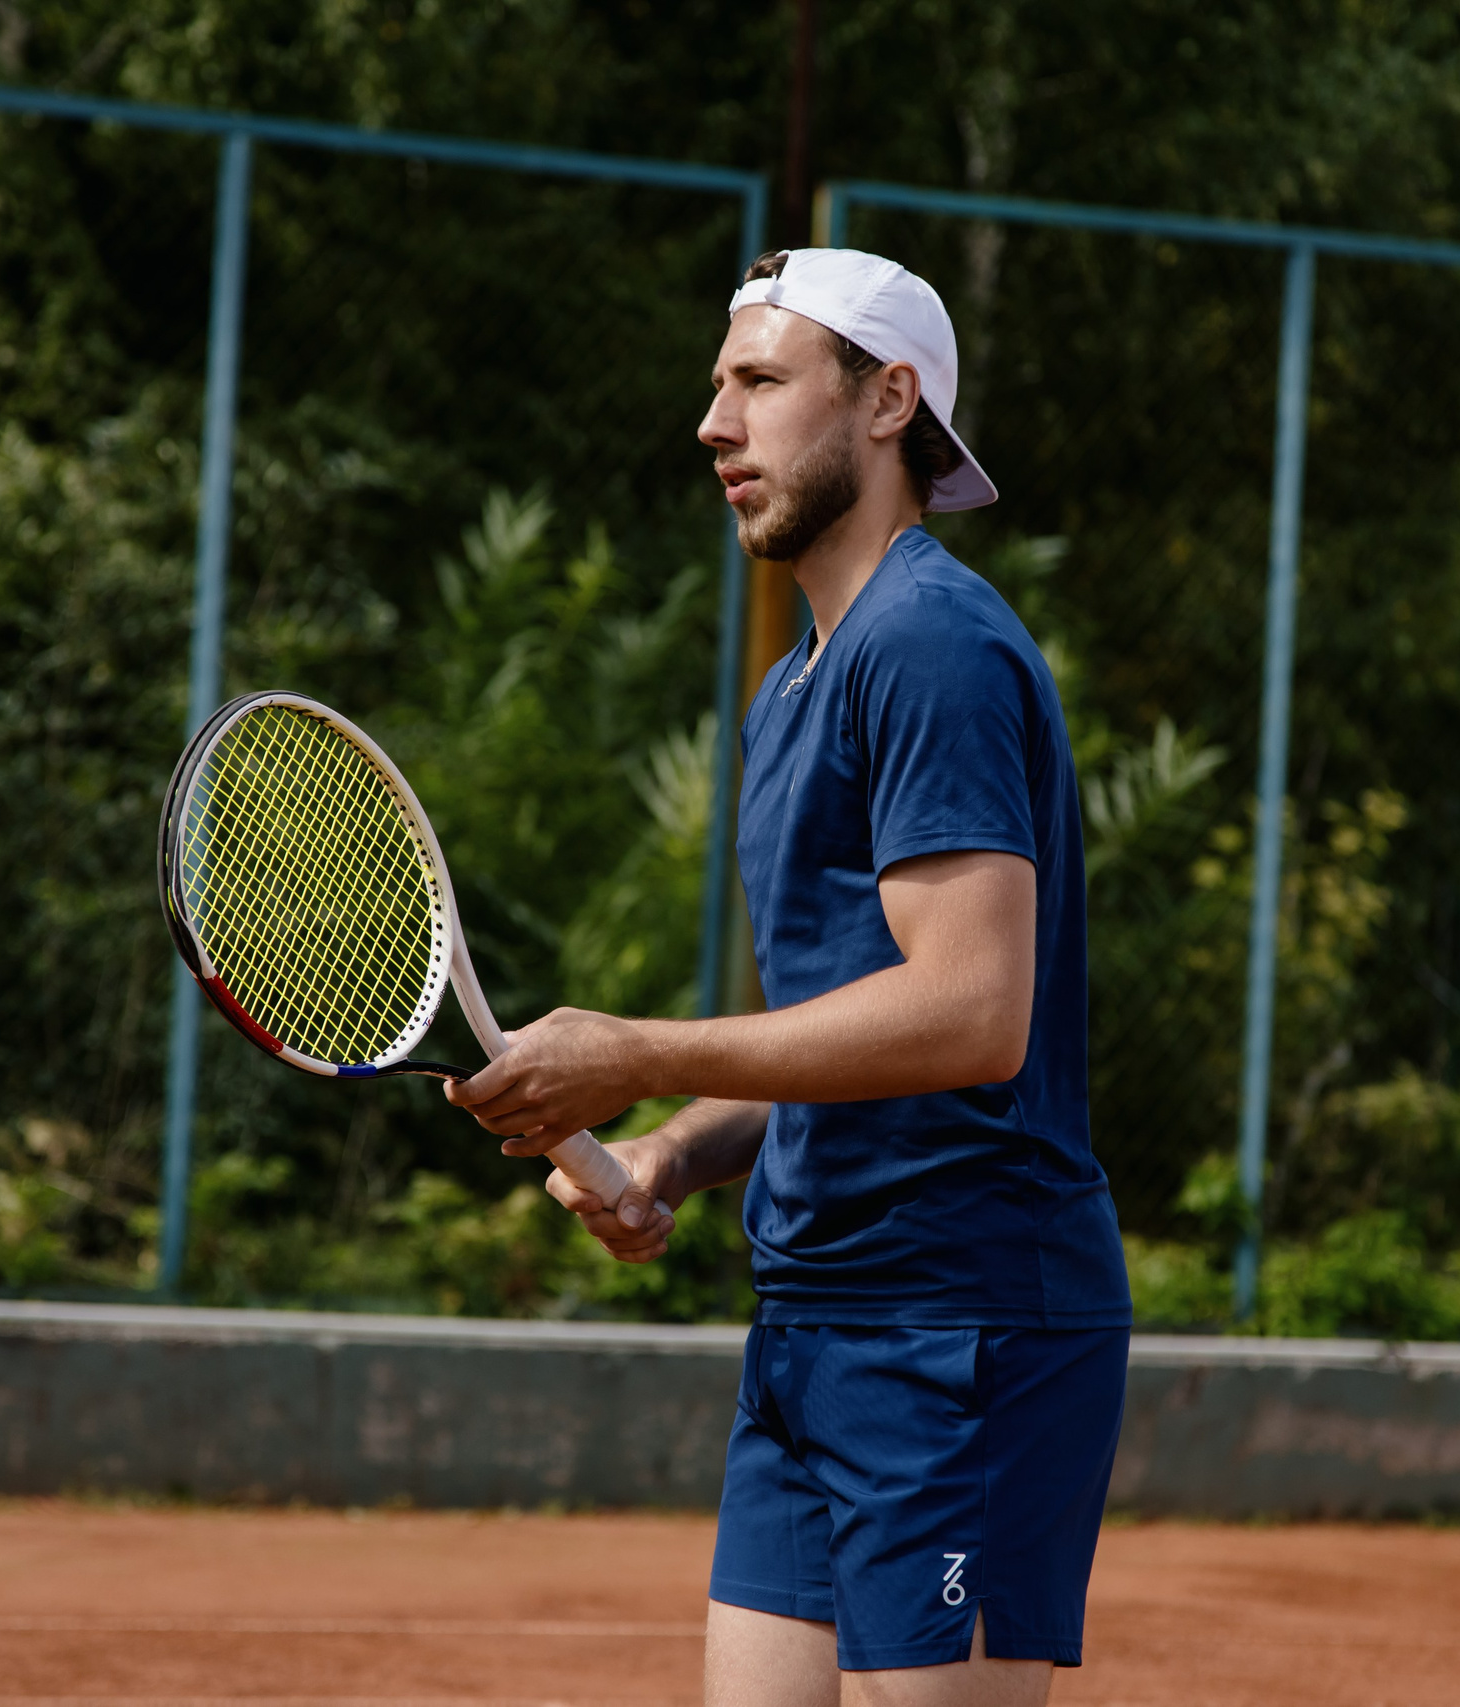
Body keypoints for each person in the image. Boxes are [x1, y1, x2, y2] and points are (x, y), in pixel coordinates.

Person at [446, 247, 1128, 1707]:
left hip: (961, 1326)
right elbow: (847, 1032)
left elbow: (971, 1015)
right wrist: (679, 1150)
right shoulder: (797, 685)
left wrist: (638, 1050)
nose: (714, 422)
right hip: (813, 1325)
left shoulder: (932, 644)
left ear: (889, 403)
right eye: (718, 385)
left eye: (759, 380)